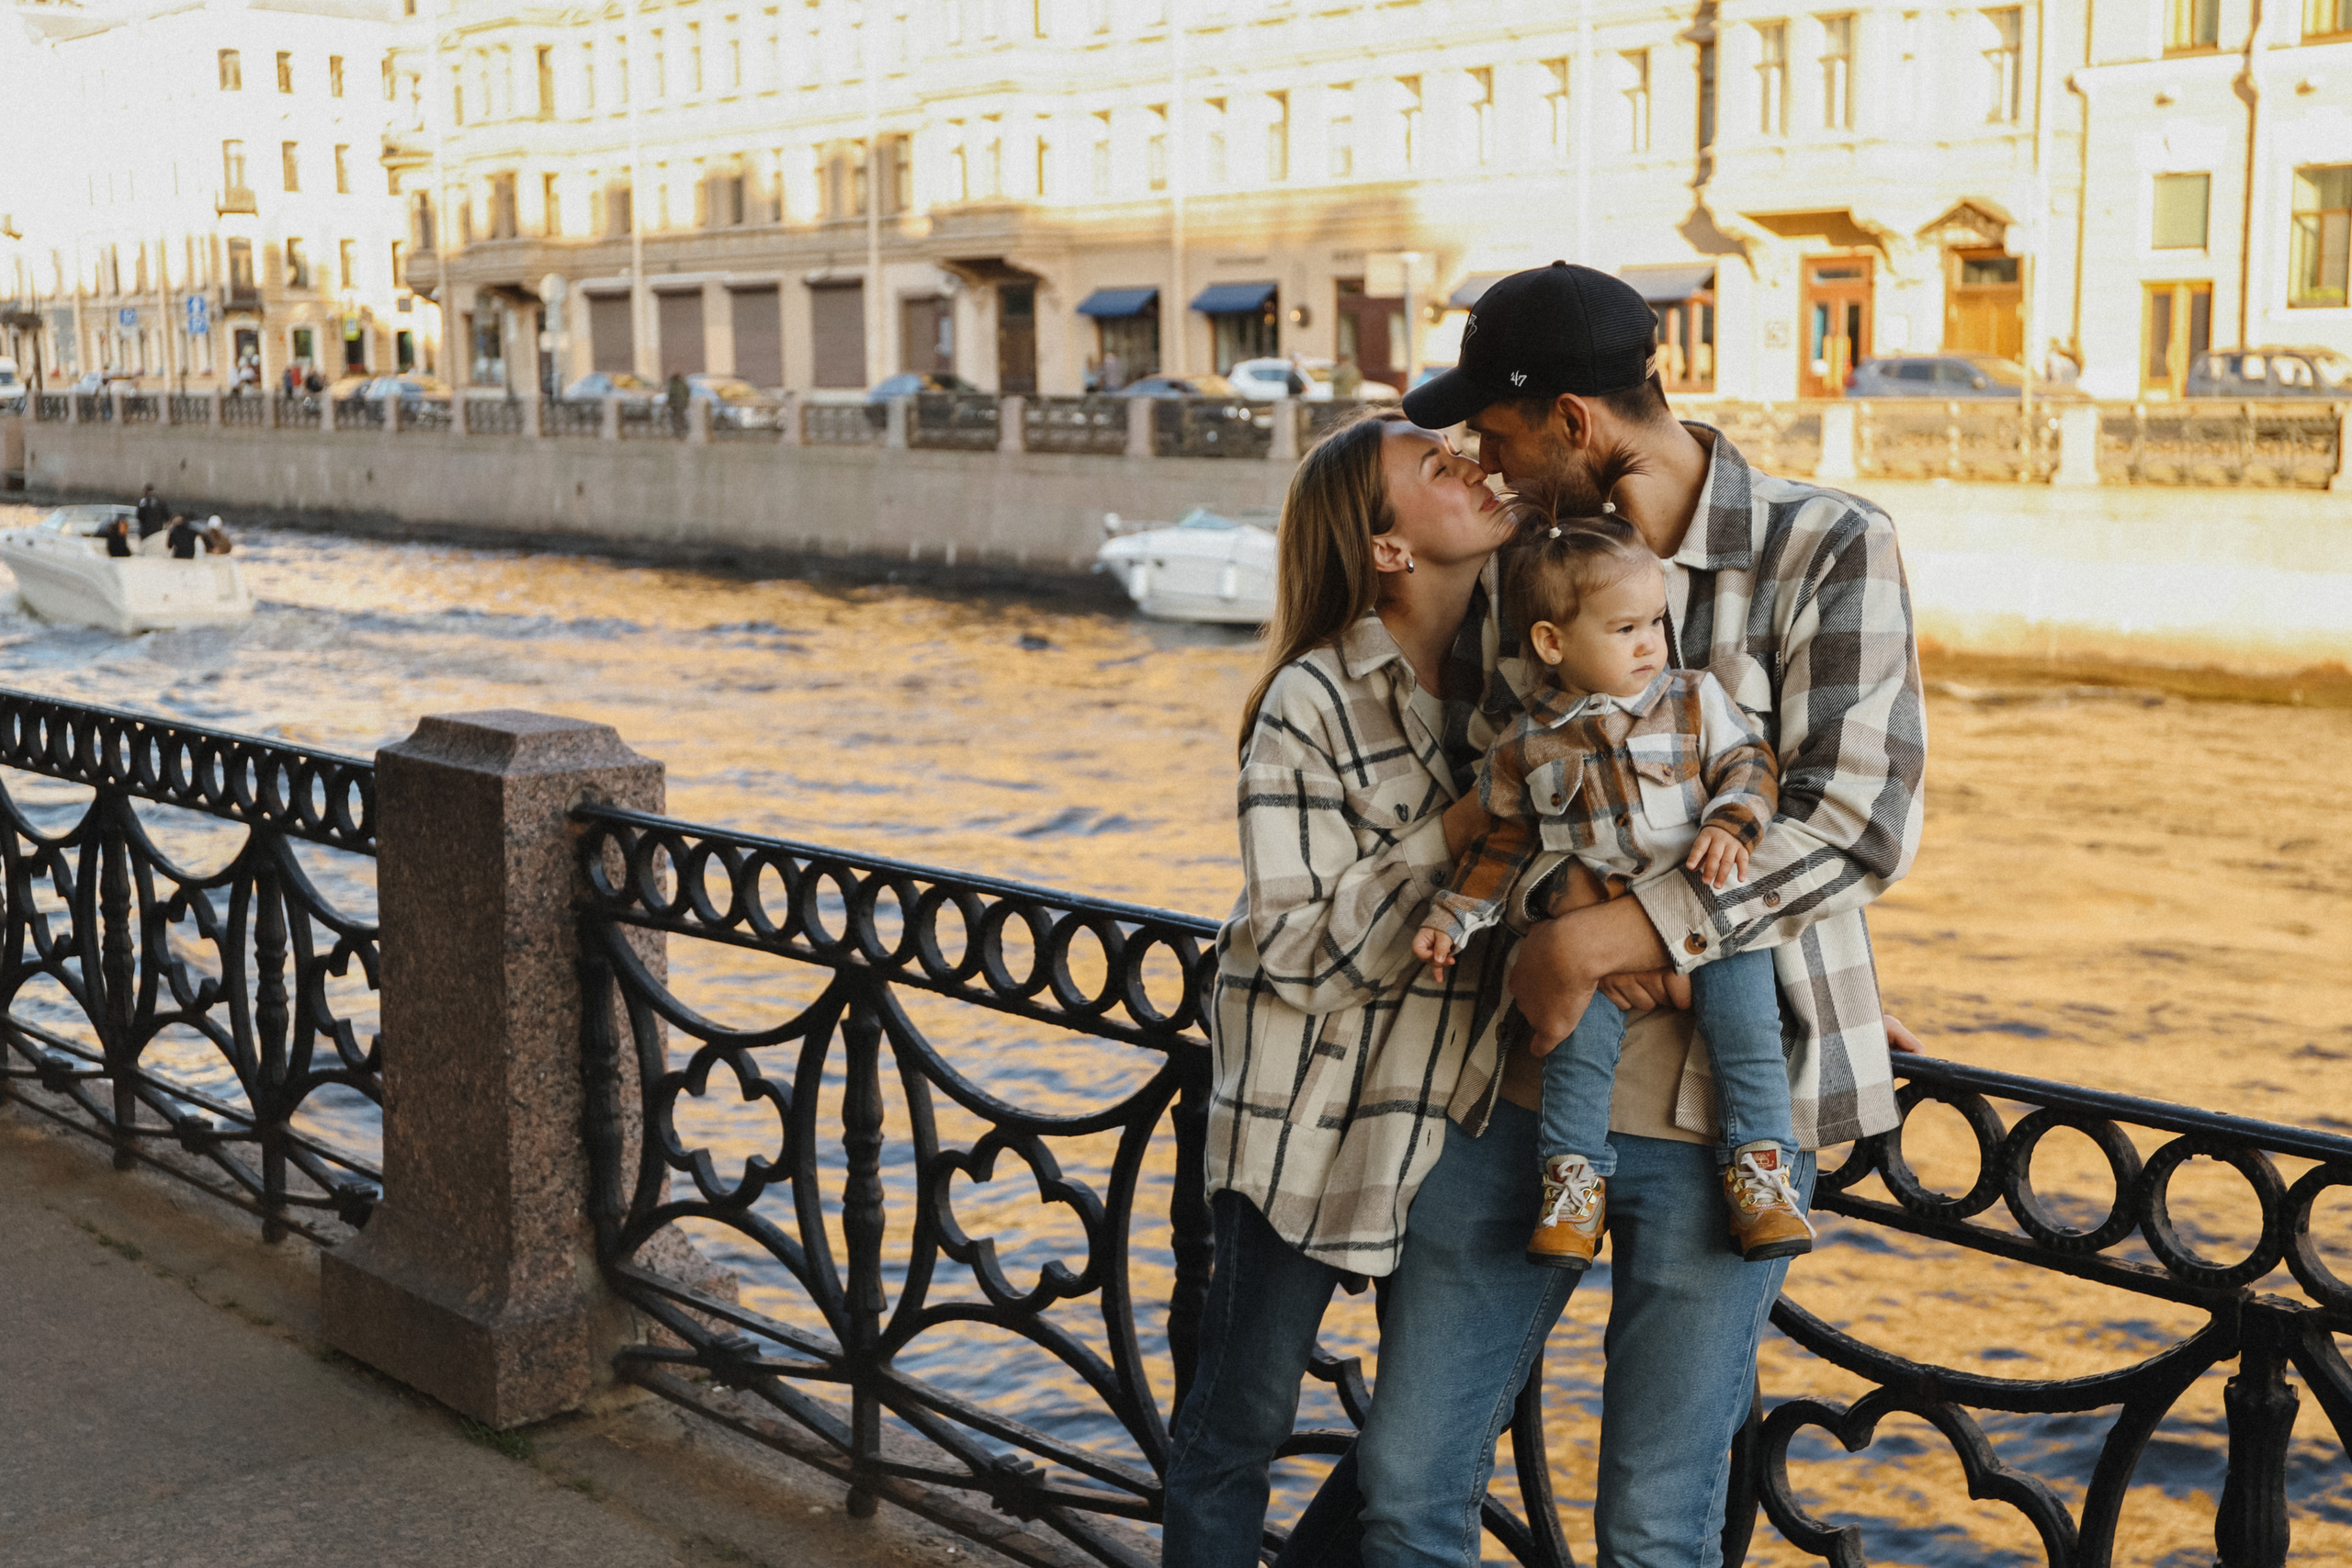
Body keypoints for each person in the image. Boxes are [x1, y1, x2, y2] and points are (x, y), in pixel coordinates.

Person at [1279, 261, 1926, 1566]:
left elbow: (1855, 821)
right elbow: (1485, 787)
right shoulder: (1523, 568)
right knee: (1407, 1483)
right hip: (1508, 1091)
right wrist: (1554, 908)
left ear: (1575, 423)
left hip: (1724, 1127)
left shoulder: (1828, 543)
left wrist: (1593, 937)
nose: (1482, 455)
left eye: (1499, 429)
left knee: (1653, 1529)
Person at [1159, 410, 1533, 1566]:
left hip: (1456, 1116)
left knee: (1424, 1442)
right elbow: (1297, 951)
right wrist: (1463, 826)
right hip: (1303, 1127)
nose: (1472, 466)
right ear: (1385, 548)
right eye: (1436, 465)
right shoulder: (1308, 703)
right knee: (1238, 1431)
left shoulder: (1526, 670)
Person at [1412, 515, 1816, 1272]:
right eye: (1624, 627)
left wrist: (1735, 824)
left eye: (1655, 623)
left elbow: (1752, 765)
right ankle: (1573, 1184)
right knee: (1574, 1044)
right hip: (1597, 926)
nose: (1648, 644)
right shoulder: (1527, 743)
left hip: (1707, 905)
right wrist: (1451, 916)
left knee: (1748, 1029)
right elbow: (1503, 842)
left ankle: (1760, 1171)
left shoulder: (1696, 700)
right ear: (1551, 644)